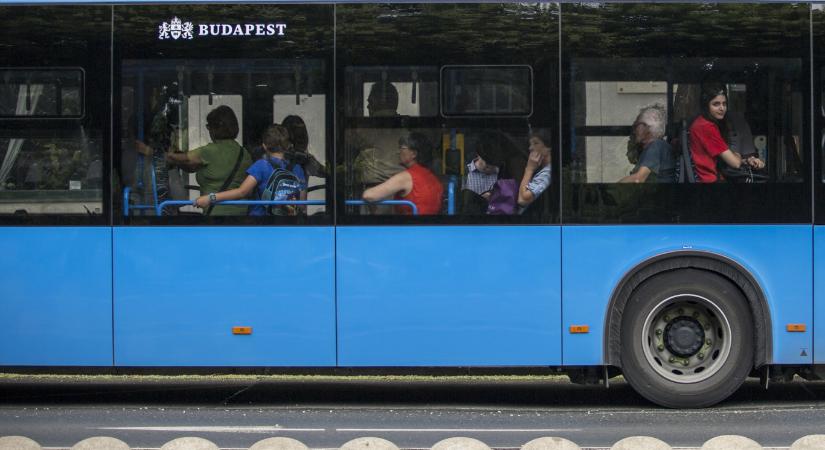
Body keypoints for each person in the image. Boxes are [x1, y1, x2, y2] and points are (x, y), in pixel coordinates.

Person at [194, 124, 306, 216]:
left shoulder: (261, 166)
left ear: (264, 146)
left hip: (261, 224)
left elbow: (242, 192)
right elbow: (301, 205)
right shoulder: (298, 169)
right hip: (288, 225)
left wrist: (210, 198)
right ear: (287, 146)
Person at [166, 105, 251, 215]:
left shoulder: (210, 151)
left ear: (214, 129)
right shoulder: (245, 153)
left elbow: (179, 159)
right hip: (242, 215)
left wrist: (157, 151)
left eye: (208, 127)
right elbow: (191, 166)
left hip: (216, 215)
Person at [689, 85, 765, 183]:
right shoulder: (706, 127)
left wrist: (748, 160)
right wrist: (737, 152)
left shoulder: (702, 122)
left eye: (724, 104)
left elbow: (727, 160)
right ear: (706, 106)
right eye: (716, 104)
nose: (722, 108)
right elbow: (735, 163)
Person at [362, 132, 443, 215]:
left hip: (410, 226)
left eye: (402, 148)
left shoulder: (406, 177)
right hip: (429, 226)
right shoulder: (433, 177)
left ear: (414, 154)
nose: (398, 152)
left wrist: (367, 189)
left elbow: (369, 195)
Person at [619, 104, 676, 183]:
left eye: (637, 125)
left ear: (647, 128)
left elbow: (638, 179)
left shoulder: (656, 146)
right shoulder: (658, 147)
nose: (634, 130)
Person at [517, 129, 552, 212]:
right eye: (530, 144)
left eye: (535, 143)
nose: (530, 148)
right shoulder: (540, 169)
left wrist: (529, 169)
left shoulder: (547, 173)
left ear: (549, 148)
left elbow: (522, 200)